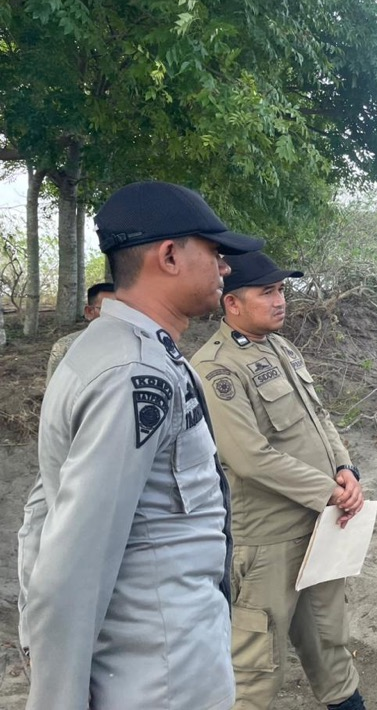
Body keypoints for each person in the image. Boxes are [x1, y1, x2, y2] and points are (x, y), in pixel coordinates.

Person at [22, 180, 262, 709]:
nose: (225, 267)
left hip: (169, 665)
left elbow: (44, 511)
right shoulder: (131, 373)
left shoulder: (129, 354)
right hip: (158, 682)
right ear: (170, 255)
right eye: (215, 252)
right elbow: (70, 568)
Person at [192, 251, 366, 710]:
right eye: (267, 292)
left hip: (318, 528)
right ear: (232, 303)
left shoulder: (283, 348)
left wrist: (345, 470)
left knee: (331, 638)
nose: (279, 300)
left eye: (281, 290)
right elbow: (250, 458)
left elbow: (320, 418)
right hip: (267, 542)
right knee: (256, 665)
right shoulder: (215, 368)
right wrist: (327, 490)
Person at [17, 281, 116, 657]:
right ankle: (32, 637)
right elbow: (57, 411)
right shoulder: (69, 348)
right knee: (35, 530)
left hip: (103, 459)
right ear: (90, 312)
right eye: (106, 309)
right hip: (64, 454)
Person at [45, 281, 116, 381]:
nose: (115, 315)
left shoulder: (136, 345)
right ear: (89, 312)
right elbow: (53, 390)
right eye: (107, 309)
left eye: (121, 310)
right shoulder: (66, 346)